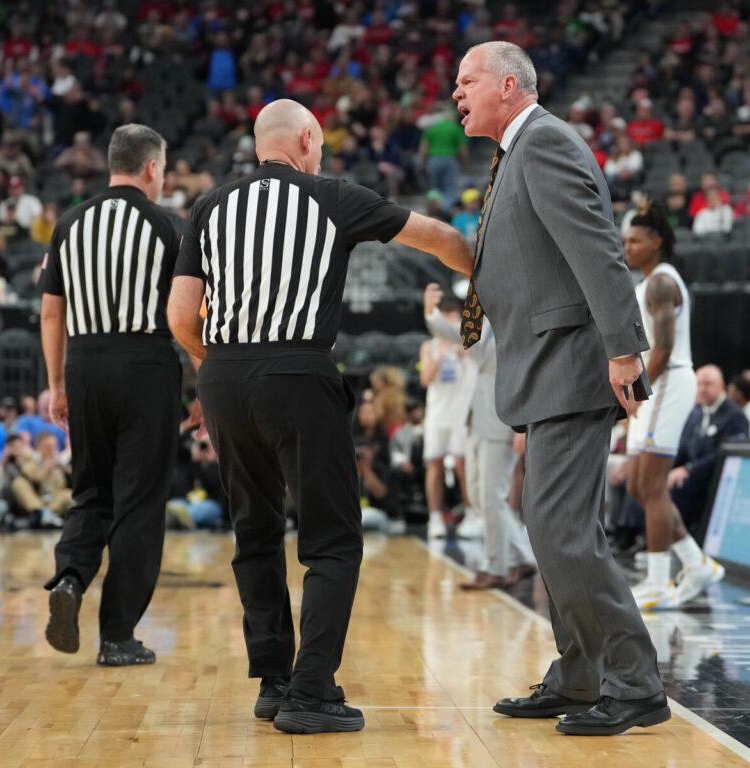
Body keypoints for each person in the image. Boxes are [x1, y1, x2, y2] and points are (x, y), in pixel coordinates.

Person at [167, 99, 472, 734]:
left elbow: (179, 314)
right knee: (332, 539)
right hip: (299, 372)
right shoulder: (331, 195)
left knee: (255, 531)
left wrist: (218, 366)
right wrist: (487, 285)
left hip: (221, 375)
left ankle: (275, 681)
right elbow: (441, 240)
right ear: (307, 139)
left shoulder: (209, 204)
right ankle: (311, 690)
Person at [452, 41, 669, 737]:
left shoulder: (543, 143)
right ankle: (580, 675)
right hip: (545, 367)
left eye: (467, 81)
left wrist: (624, 349)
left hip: (575, 364)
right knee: (552, 531)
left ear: (508, 85)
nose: (455, 93)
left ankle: (634, 684)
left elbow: (598, 249)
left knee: (563, 531)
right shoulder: (517, 155)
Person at [40, 124, 183, 667]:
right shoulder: (168, 226)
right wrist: (199, 385)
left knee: (91, 491)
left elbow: (52, 312)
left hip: (85, 365)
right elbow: (185, 312)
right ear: (152, 167)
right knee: (140, 504)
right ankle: (118, 636)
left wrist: (57, 384)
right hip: (147, 365)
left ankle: (71, 577)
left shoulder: (69, 223)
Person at [621, 201, 723, 611]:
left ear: (656, 242)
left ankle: (659, 582)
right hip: (652, 379)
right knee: (635, 485)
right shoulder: (646, 282)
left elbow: (662, 348)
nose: (626, 247)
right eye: (625, 240)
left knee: (651, 485)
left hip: (667, 378)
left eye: (635, 241)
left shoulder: (662, 283)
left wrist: (635, 392)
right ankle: (696, 565)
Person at [423, 283, 536, 589]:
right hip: (474, 419)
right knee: (480, 496)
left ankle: (496, 567)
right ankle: (523, 559)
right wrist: (430, 314)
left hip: (501, 420)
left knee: (490, 496)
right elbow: (457, 336)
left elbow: (522, 377)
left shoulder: (512, 322)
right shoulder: (482, 321)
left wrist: (521, 426)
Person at [669, 365, 749, 539]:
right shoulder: (696, 413)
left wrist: (688, 469)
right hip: (692, 472)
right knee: (652, 482)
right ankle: (638, 538)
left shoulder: (735, 415)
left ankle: (676, 543)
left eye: (707, 384)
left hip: (713, 477)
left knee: (679, 486)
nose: (702, 389)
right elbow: (683, 448)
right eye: (699, 384)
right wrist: (665, 469)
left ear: (721, 386)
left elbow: (724, 455)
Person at [418, 297, 470, 539]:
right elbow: (425, 379)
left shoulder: (469, 343)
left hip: (462, 414)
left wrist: (463, 355)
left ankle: (472, 513)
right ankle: (435, 517)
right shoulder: (429, 346)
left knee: (463, 464)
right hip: (437, 414)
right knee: (434, 464)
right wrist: (441, 354)